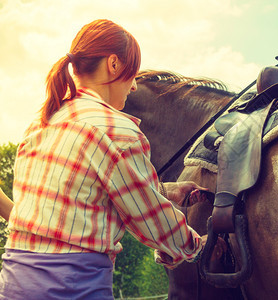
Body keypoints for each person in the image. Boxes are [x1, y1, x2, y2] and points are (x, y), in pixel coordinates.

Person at [0, 19, 209, 299]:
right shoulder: (117, 130)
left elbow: (78, 196)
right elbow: (152, 220)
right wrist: (197, 246)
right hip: (72, 288)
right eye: (133, 73)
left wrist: (167, 191)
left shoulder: (41, 123)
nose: (134, 86)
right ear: (113, 64)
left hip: (13, 283)